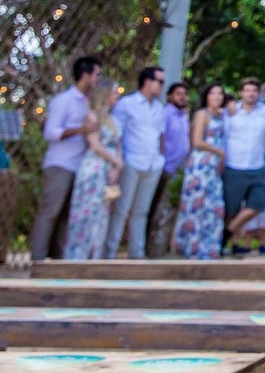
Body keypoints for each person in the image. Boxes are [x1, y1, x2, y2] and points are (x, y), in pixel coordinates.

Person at [30, 56, 102, 260]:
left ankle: (58, 259)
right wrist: (81, 129)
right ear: (85, 75)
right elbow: (51, 132)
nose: (98, 79)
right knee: (50, 211)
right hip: (60, 163)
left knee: (66, 216)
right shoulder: (64, 100)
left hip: (79, 166)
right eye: (97, 74)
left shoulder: (90, 104)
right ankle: (37, 258)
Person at [104, 66, 166, 259]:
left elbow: (160, 136)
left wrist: (160, 157)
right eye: (160, 81)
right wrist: (119, 161)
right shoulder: (126, 104)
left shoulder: (159, 108)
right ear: (148, 82)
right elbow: (116, 134)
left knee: (142, 211)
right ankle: (110, 252)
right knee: (121, 209)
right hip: (131, 161)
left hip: (153, 163)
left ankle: (137, 253)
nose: (162, 86)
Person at [64, 79, 122, 259]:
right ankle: (77, 256)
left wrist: (117, 167)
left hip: (109, 171)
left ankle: (95, 255)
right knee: (86, 213)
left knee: (102, 214)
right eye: (114, 92)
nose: (117, 95)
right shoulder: (92, 116)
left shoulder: (113, 120)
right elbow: (95, 145)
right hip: (94, 169)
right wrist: (116, 161)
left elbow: (118, 144)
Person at [223, 77, 265, 254]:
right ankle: (232, 244)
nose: (251, 94)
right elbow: (223, 137)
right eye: (247, 90)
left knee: (257, 204)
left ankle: (228, 231)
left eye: (254, 91)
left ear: (259, 93)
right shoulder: (231, 113)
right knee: (231, 207)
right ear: (241, 93)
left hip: (257, 165)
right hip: (234, 164)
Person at [175, 82, 227, 260]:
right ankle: (193, 248)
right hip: (201, 165)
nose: (217, 97)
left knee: (213, 206)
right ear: (207, 96)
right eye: (213, 94)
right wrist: (219, 151)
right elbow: (196, 141)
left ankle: (210, 247)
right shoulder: (202, 114)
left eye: (220, 94)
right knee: (197, 205)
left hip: (215, 167)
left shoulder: (223, 115)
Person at [147, 82, 190, 257]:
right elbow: (161, 138)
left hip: (180, 169)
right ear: (170, 96)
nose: (182, 97)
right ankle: (151, 249)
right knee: (157, 209)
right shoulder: (165, 114)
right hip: (166, 167)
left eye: (184, 94)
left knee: (171, 211)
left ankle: (165, 248)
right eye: (178, 94)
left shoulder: (183, 115)